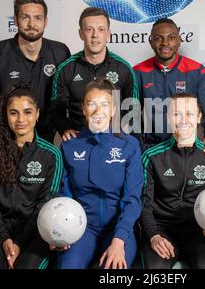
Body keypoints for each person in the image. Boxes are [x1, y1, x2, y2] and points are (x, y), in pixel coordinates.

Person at [57, 79, 143, 269]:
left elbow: (133, 199)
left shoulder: (129, 145)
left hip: (118, 229)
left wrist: (119, 240)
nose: (98, 111)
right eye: (91, 104)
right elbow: (64, 196)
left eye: (105, 105)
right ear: (83, 109)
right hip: (81, 228)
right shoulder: (69, 145)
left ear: (113, 110)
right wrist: (64, 230)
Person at [0, 83, 63, 269]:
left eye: (27, 112)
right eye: (13, 112)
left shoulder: (50, 155)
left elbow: (45, 205)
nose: (20, 119)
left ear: (37, 114)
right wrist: (5, 239)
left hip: (35, 233)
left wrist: (19, 244)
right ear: (6, 115)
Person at [140, 93, 205, 269]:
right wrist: (154, 235)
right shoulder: (151, 156)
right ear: (168, 118)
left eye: (189, 114)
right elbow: (144, 204)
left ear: (199, 117)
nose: (183, 120)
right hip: (162, 230)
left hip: (200, 231)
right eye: (176, 114)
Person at [0, 0, 71, 147]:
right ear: (16, 20)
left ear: (45, 21)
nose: (32, 24)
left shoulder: (60, 52)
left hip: (45, 141)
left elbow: (67, 98)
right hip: (6, 139)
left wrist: (66, 129)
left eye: (38, 18)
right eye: (25, 17)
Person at [134, 18, 205, 155]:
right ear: (151, 42)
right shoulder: (138, 72)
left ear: (179, 40)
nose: (165, 43)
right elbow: (132, 116)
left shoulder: (196, 70)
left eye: (171, 37)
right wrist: (137, 146)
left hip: (188, 149)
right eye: (158, 38)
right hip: (152, 149)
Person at [51, 7, 139, 142]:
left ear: (108, 34)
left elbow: (132, 111)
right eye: (89, 29)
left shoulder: (124, 69)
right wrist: (65, 129)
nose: (95, 35)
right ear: (81, 33)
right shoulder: (66, 69)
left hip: (114, 140)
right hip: (78, 139)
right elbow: (58, 109)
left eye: (101, 29)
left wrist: (122, 139)